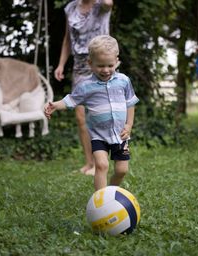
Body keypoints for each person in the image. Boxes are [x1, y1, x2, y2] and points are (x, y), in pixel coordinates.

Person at [45, 35, 139, 191]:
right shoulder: (86, 86)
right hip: (98, 135)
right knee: (101, 165)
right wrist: (55, 105)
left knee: (122, 170)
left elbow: (130, 103)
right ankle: (100, 201)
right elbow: (71, 100)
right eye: (100, 65)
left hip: (120, 134)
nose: (106, 70)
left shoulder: (123, 81)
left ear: (116, 61)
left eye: (110, 65)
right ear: (90, 63)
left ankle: (111, 191)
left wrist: (129, 125)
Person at [54, 0, 113, 176]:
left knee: (97, 115)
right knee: (80, 117)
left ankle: (99, 162)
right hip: (80, 66)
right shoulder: (71, 8)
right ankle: (89, 162)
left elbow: (109, 3)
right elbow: (67, 38)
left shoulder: (101, 5)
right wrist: (61, 65)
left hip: (102, 66)